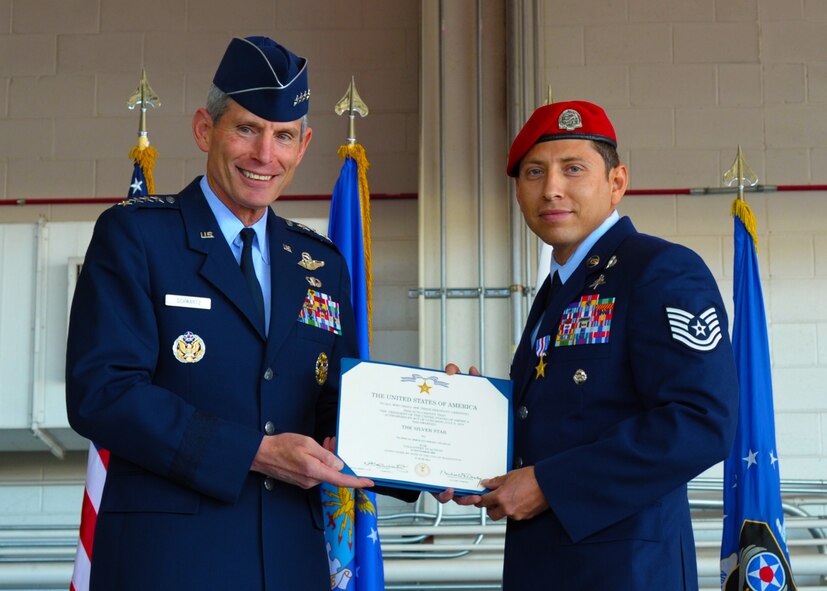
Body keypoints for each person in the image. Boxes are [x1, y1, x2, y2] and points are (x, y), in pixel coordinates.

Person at [66, 36, 375, 590]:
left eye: (283, 136)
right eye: (247, 129)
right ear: (204, 129)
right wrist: (254, 452)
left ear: (304, 145)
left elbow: (340, 405)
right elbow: (103, 392)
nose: (265, 155)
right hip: (167, 566)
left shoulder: (320, 264)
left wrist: (435, 442)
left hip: (290, 565)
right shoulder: (137, 236)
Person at [440, 100, 739, 589]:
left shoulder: (659, 269)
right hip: (546, 567)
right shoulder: (559, 286)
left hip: (626, 572)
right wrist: (466, 428)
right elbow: (560, 419)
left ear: (617, 182)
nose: (551, 188)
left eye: (573, 168)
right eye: (534, 172)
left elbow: (702, 421)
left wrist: (549, 485)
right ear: (517, 192)